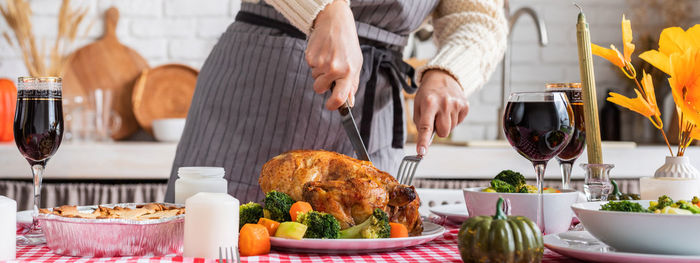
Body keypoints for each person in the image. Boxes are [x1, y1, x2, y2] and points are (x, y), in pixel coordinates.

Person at [164, 0, 507, 203]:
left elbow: (479, 16)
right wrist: (325, 8)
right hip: (256, 98)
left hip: (375, 112)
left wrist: (449, 72)